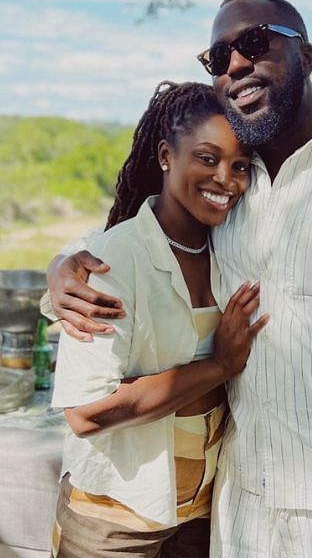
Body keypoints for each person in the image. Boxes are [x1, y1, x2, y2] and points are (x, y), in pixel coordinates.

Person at [45, 0, 312, 558]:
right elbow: (140, 235)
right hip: (242, 517)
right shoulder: (236, 187)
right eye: (218, 58)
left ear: (307, 57)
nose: (236, 64)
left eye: (255, 43)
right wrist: (61, 268)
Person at [49, 81, 267, 557]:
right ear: (167, 155)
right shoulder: (114, 261)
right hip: (116, 512)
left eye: (240, 166)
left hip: (203, 511)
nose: (226, 180)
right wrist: (219, 366)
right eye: (207, 159)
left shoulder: (233, 247)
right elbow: (84, 413)